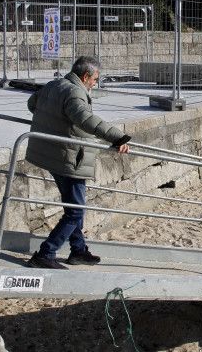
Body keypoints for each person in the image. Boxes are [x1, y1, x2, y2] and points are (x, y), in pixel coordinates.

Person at [25, 56, 131, 269]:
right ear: (85, 76)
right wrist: (117, 137)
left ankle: (78, 251)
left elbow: (32, 103)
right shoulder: (75, 91)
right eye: (94, 80)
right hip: (69, 158)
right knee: (75, 211)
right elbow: (84, 118)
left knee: (72, 207)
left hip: (53, 154)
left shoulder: (54, 85)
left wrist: (54, 122)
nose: (94, 84)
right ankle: (45, 253)